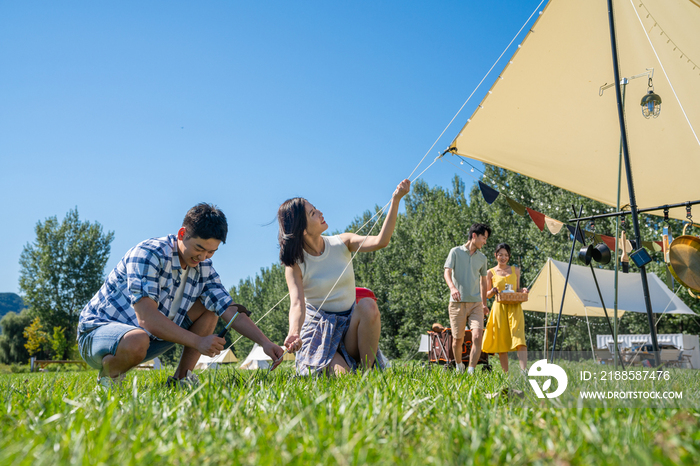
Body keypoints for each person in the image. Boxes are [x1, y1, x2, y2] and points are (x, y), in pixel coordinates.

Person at [77, 203, 284, 388]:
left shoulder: (204, 269)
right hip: (97, 335)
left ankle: (181, 380)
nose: (203, 257)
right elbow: (146, 318)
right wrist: (198, 342)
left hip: (147, 338)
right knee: (136, 339)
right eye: (199, 248)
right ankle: (108, 378)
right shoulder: (148, 254)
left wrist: (265, 342)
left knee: (211, 308)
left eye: (211, 252)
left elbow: (228, 309)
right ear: (182, 233)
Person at [279, 179, 411, 376]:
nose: (320, 212)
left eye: (315, 208)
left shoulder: (343, 242)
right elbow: (297, 304)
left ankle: (370, 374)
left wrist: (396, 200)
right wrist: (294, 333)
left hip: (350, 330)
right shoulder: (295, 264)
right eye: (313, 213)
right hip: (320, 333)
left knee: (367, 305)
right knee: (345, 377)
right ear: (302, 229)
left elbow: (381, 241)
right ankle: (338, 366)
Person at [443, 223, 491, 375]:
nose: (485, 242)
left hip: (476, 304)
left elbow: (483, 282)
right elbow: (447, 272)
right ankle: (459, 367)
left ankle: (471, 370)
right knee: (458, 340)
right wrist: (452, 287)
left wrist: (484, 303)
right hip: (457, 304)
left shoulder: (482, 259)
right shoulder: (455, 252)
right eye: (484, 238)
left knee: (477, 335)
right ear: (474, 236)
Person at [482, 243, 528, 373]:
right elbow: (486, 295)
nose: (503, 257)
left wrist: (523, 290)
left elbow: (517, 289)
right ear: (495, 255)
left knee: (519, 339)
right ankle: (505, 375)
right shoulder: (490, 273)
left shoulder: (515, 270)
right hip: (499, 308)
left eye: (506, 255)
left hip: (515, 307)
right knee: (502, 341)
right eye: (501, 254)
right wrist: (492, 291)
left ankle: (524, 372)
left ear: (509, 256)